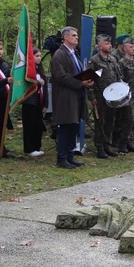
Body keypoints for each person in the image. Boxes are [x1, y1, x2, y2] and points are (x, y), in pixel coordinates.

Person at [50, 26, 93, 169]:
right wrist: (80, 83)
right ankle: (61, 158)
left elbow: (77, 72)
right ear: (66, 37)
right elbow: (61, 76)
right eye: (74, 35)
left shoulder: (75, 53)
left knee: (74, 126)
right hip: (65, 96)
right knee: (65, 127)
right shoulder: (59, 55)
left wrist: (88, 79)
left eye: (77, 36)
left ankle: (70, 156)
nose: (77, 38)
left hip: (77, 94)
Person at [88, 34, 121, 159]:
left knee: (110, 121)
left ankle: (107, 145)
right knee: (100, 122)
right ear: (100, 46)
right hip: (100, 95)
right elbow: (90, 79)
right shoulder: (95, 60)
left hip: (112, 95)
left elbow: (118, 76)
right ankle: (100, 146)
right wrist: (92, 97)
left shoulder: (112, 59)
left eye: (110, 43)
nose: (110, 45)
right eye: (107, 44)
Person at [116, 37, 134, 154]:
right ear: (125, 49)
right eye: (131, 47)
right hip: (128, 95)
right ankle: (123, 142)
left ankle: (130, 141)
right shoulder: (121, 63)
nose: (133, 49)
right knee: (127, 120)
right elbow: (119, 79)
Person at [21, 48, 47, 157]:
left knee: (38, 124)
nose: (39, 58)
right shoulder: (27, 71)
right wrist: (38, 83)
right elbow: (28, 85)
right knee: (29, 125)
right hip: (29, 102)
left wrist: (45, 103)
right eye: (36, 56)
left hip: (39, 102)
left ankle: (37, 146)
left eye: (40, 56)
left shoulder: (40, 70)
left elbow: (44, 89)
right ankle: (29, 148)